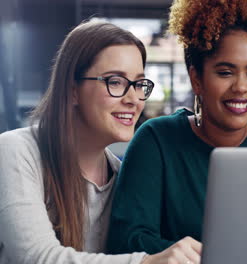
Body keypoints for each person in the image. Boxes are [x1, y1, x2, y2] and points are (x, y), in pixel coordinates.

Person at [106, 0, 247, 260]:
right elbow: (127, 240)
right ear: (196, 79)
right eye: (225, 72)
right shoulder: (156, 140)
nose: (241, 87)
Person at [0, 20, 201, 264]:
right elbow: (36, 258)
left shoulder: (122, 178)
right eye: (115, 81)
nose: (134, 99)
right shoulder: (15, 151)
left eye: (139, 84)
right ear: (73, 89)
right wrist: (146, 262)